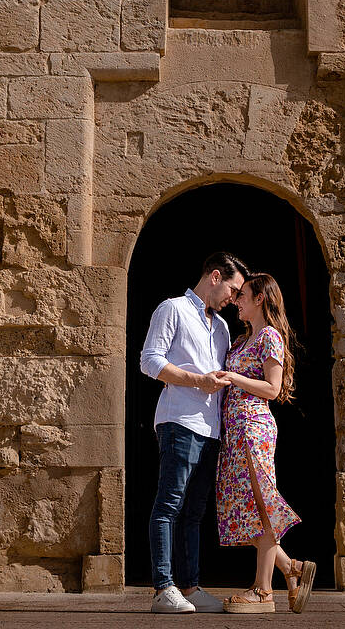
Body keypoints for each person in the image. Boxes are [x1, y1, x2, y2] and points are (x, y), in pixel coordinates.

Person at [139, 251, 249, 614]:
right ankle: (163, 588)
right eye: (233, 289)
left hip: (211, 428)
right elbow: (149, 361)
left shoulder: (221, 327)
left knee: (194, 511)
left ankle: (190, 585)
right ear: (214, 276)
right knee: (169, 504)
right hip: (179, 421)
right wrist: (197, 380)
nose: (234, 298)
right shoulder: (172, 308)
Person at [214, 273, 316, 614]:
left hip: (254, 429)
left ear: (259, 299)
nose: (236, 300)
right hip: (235, 432)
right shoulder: (243, 340)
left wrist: (235, 378)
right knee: (248, 507)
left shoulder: (270, 336)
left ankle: (263, 590)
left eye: (242, 295)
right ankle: (293, 569)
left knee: (263, 504)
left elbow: (272, 390)